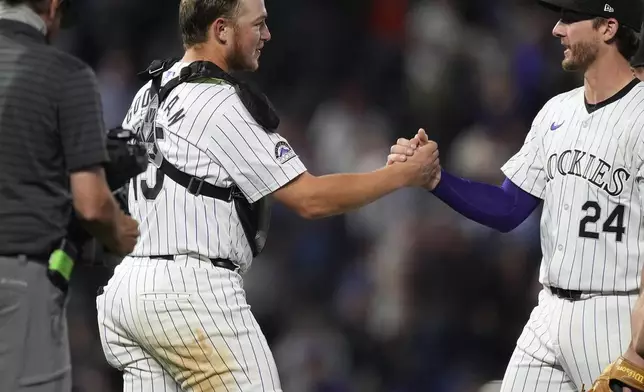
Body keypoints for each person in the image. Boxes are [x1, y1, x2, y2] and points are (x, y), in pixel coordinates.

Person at [95, 0, 440, 390]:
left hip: (127, 293)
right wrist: (401, 175)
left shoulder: (148, 94)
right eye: (258, 24)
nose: (267, 35)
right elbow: (310, 198)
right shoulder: (218, 103)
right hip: (188, 294)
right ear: (221, 30)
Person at [388, 0, 644, 390]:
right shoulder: (556, 112)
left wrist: (638, 350)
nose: (557, 30)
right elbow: (509, 207)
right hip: (547, 311)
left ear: (608, 28)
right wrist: (435, 179)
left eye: (570, 20)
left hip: (616, 313)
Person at [0, 0, 140, 391]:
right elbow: (92, 204)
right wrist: (123, 232)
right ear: (53, 8)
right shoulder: (65, 75)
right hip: (19, 283)